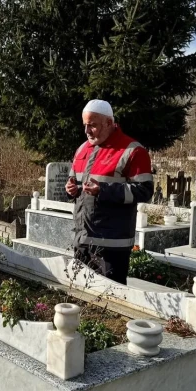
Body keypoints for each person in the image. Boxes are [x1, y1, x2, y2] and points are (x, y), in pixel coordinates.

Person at [65, 100, 154, 284]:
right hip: (82, 240)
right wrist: (71, 190)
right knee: (81, 297)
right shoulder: (82, 149)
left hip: (112, 246)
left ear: (109, 123)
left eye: (93, 125)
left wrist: (103, 191)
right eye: (85, 125)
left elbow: (144, 191)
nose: (87, 131)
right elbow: (74, 182)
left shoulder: (133, 151)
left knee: (110, 301)